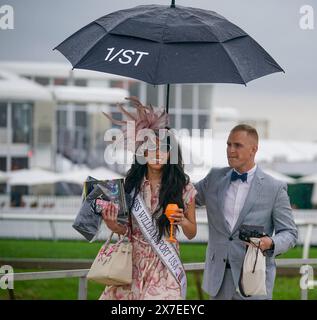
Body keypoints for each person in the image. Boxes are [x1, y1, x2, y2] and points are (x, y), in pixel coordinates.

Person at [99, 97, 197, 300]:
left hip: (165, 263)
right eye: (152, 148)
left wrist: (182, 220)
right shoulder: (130, 185)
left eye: (164, 149)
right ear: (142, 152)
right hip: (131, 263)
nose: (158, 153)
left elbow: (191, 232)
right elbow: (124, 229)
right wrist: (111, 224)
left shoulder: (183, 187)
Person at [195, 124, 298, 300]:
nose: (230, 150)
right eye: (228, 144)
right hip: (218, 283)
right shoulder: (213, 178)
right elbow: (185, 196)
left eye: (237, 145)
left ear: (253, 149)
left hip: (254, 281)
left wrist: (271, 243)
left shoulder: (274, 188)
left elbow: (290, 233)